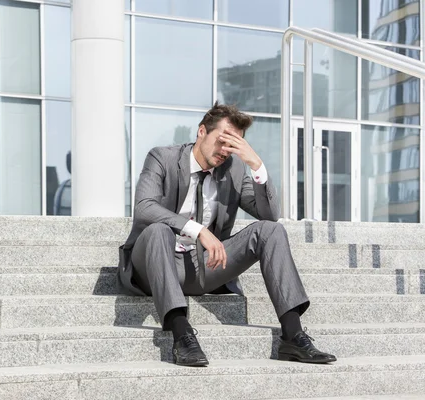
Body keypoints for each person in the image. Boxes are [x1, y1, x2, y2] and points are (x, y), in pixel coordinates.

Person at [117, 102, 336, 367]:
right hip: (153, 265)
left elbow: (268, 215)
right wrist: (199, 231)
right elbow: (144, 207)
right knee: (158, 230)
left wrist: (256, 166)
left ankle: (292, 335)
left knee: (270, 231)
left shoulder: (233, 169)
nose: (225, 151)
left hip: (203, 267)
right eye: (222, 141)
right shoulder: (162, 158)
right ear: (201, 132)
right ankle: (182, 334)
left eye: (233, 145)